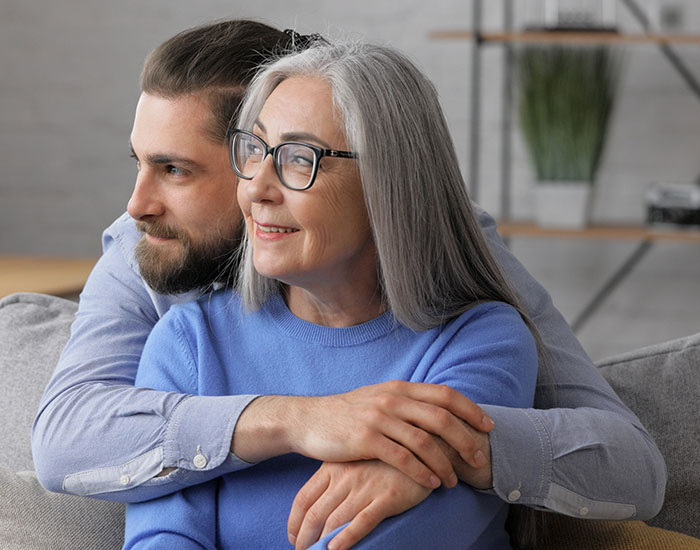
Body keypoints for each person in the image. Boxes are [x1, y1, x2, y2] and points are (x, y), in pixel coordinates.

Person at [31, 18, 665, 550]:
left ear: (386, 185)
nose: (137, 203)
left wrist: (455, 449)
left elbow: (630, 464)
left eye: (175, 169)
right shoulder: (172, 307)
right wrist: (298, 421)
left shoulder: (475, 312)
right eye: (258, 150)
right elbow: (71, 451)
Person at [123, 39, 540, 549]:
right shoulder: (190, 341)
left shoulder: (481, 343)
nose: (256, 188)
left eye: (300, 159)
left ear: (388, 184)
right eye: (254, 149)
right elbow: (160, 539)